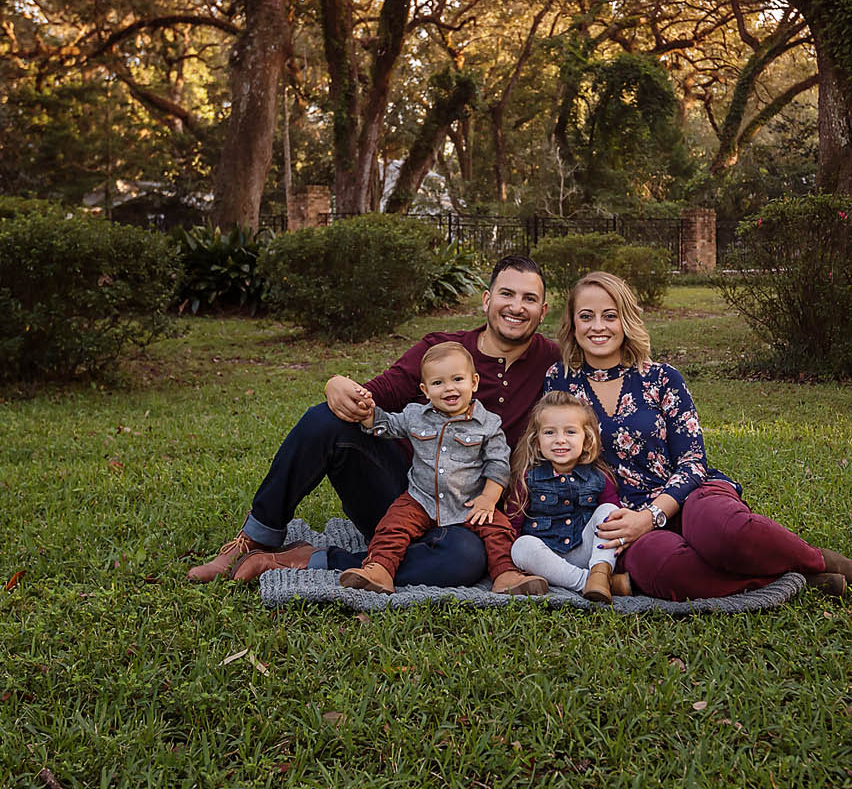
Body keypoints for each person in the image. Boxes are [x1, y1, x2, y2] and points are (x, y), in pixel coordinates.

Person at [187, 255, 560, 586]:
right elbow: (374, 397)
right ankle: (256, 537)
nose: (516, 306)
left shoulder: (555, 363)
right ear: (487, 300)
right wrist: (338, 384)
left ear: (543, 312)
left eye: (529, 299)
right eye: (507, 294)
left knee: (464, 561)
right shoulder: (441, 349)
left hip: (469, 512)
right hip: (404, 493)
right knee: (324, 420)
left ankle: (311, 560)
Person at [544, 271, 852, 601]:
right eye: (586, 316)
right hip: (623, 519)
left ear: (626, 320)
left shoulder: (663, 378)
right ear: (573, 323)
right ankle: (789, 580)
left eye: (610, 315)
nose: (598, 326)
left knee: (724, 533)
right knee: (662, 570)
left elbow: (693, 462)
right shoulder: (559, 383)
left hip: (689, 494)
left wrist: (652, 515)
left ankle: (817, 560)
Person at [336, 342, 548, 595]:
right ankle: (379, 569)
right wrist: (368, 415)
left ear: (474, 382)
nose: (449, 388)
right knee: (393, 526)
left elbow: (498, 465)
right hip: (421, 498)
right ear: (425, 390)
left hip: (470, 502)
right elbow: (388, 425)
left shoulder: (488, 425)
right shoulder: (415, 416)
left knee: (499, 531)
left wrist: (488, 499)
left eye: (458, 379)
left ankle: (507, 575)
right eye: (438, 383)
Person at [506, 391, 629, 604]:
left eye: (570, 432)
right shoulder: (528, 477)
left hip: (585, 553)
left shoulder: (599, 477)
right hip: (545, 556)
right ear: (536, 441)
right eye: (550, 433)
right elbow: (512, 524)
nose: (560, 440)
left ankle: (601, 572)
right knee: (521, 546)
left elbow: (613, 523)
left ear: (587, 439)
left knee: (609, 511)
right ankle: (589, 583)